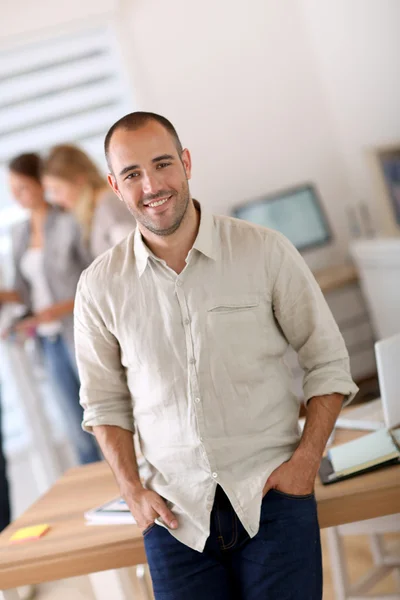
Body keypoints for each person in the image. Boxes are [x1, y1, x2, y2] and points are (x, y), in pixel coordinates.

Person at [73, 112, 359, 600]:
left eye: (162, 164)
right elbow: (103, 404)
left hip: (273, 499)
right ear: (115, 187)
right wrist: (132, 491)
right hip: (174, 517)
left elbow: (327, 362)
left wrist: (306, 461)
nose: (151, 185)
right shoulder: (100, 287)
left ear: (186, 163)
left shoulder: (264, 250)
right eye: (132, 174)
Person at [0, 153, 100, 466]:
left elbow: (94, 276)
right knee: (75, 428)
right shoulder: (18, 233)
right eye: (11, 188)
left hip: (79, 332)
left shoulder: (68, 220)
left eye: (23, 187)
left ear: (41, 183)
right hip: (49, 341)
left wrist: (59, 309)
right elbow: (25, 292)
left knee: (103, 418)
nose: (16, 195)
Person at [42, 144, 135, 257]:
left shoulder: (109, 205)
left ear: (79, 180)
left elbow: (133, 257)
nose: (55, 199)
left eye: (57, 190)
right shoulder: (93, 210)